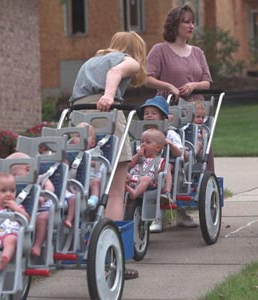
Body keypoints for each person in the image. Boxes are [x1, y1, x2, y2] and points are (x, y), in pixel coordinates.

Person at [68, 31, 146, 280]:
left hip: (78, 115)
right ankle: (112, 256)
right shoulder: (128, 60)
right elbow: (114, 75)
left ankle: (77, 237)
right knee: (115, 190)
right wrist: (110, 95)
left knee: (81, 178)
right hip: (107, 113)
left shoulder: (92, 61)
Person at [139, 96, 198, 232]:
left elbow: (183, 155)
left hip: (169, 167)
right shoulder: (143, 134)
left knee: (165, 169)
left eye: (154, 113)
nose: (149, 116)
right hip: (147, 165)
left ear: (163, 117)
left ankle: (158, 217)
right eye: (146, 113)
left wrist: (169, 144)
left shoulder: (170, 133)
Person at [145, 3, 212, 103]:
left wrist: (193, 85)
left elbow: (207, 82)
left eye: (193, 22)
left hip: (197, 112)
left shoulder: (198, 52)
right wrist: (169, 87)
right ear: (174, 25)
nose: (192, 26)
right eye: (187, 22)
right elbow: (147, 79)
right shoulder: (159, 50)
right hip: (169, 109)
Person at [7, 152, 61, 257]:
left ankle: (37, 245)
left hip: (42, 208)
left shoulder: (40, 178)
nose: (14, 178)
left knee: (42, 219)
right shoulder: (13, 185)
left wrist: (42, 196)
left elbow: (50, 188)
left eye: (15, 175)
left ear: (28, 169)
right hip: (24, 210)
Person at [69, 122, 106, 212]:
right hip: (76, 181)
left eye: (86, 135)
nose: (82, 138)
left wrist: (85, 160)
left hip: (90, 179)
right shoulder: (71, 153)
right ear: (73, 141)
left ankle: (94, 199)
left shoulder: (94, 151)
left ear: (93, 142)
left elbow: (98, 164)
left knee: (96, 182)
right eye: (78, 136)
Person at [126, 128, 166, 200]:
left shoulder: (161, 161)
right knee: (123, 174)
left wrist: (161, 185)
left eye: (147, 142)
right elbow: (129, 165)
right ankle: (120, 194)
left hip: (149, 183)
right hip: (133, 179)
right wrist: (138, 155)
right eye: (142, 142)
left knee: (146, 179)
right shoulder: (139, 157)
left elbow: (164, 175)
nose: (143, 145)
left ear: (157, 148)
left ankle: (135, 193)